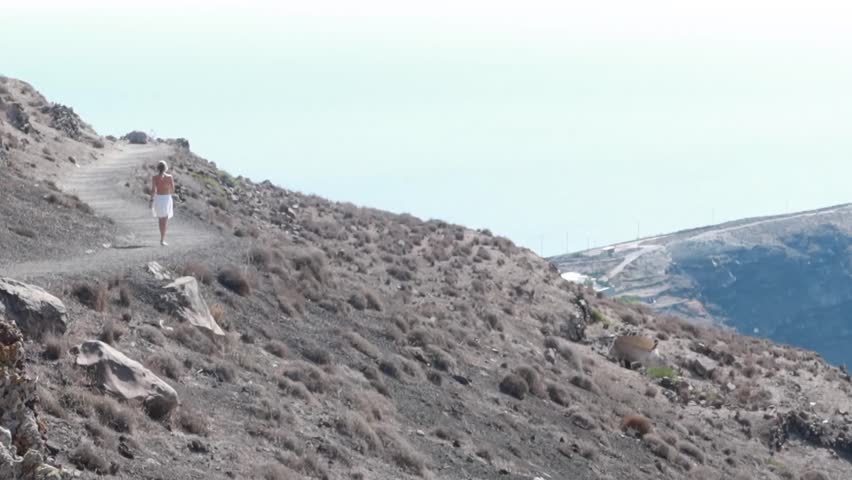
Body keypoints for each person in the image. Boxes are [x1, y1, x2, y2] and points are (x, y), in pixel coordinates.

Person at [148, 160, 175, 246]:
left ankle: (161, 238)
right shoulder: (170, 177)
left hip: (158, 198)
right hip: (166, 199)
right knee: (165, 220)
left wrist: (151, 200)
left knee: (160, 220)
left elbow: (153, 190)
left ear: (158, 168)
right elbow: (173, 189)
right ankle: (162, 239)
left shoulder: (154, 177)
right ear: (166, 168)